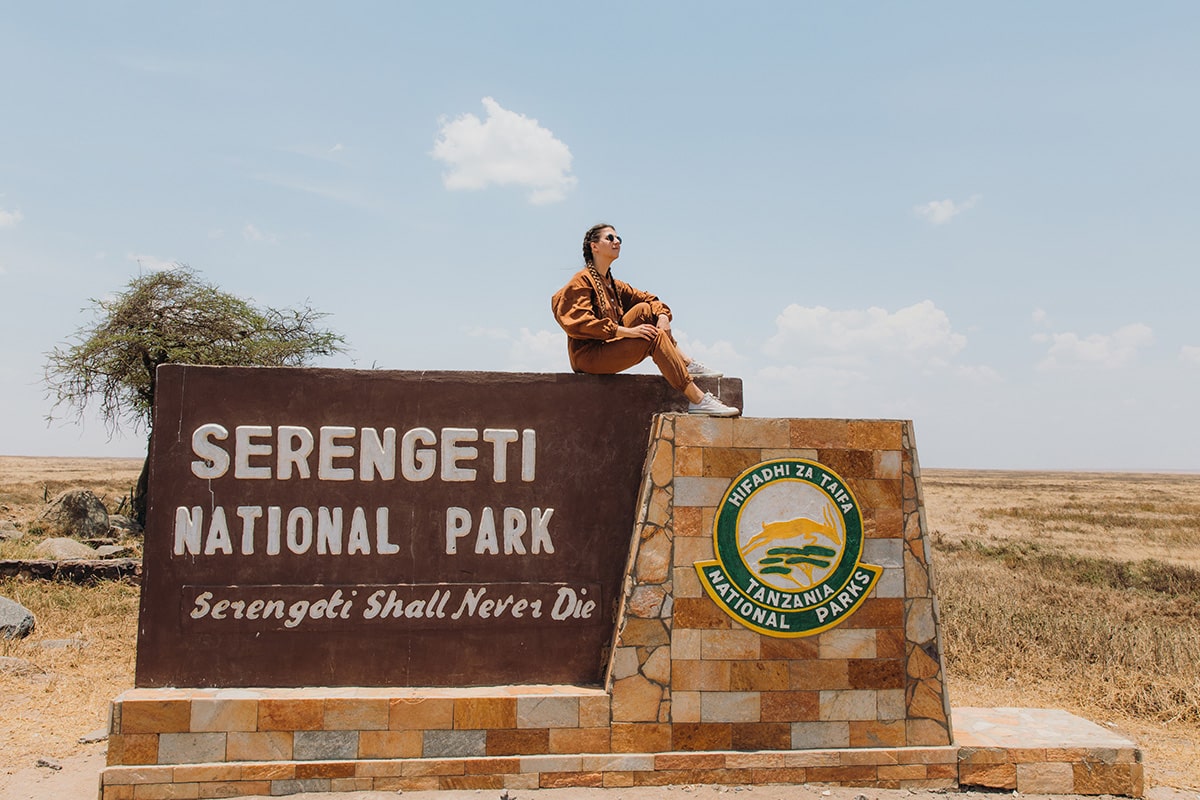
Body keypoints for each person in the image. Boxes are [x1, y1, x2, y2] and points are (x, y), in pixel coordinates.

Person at [551, 223, 740, 416]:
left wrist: (663, 316)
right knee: (653, 337)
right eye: (610, 238)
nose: (617, 242)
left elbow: (651, 299)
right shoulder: (581, 281)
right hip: (587, 356)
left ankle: (686, 363)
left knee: (645, 310)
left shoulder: (613, 284)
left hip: (608, 345)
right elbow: (579, 322)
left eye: (619, 238)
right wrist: (627, 332)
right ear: (594, 246)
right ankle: (698, 400)